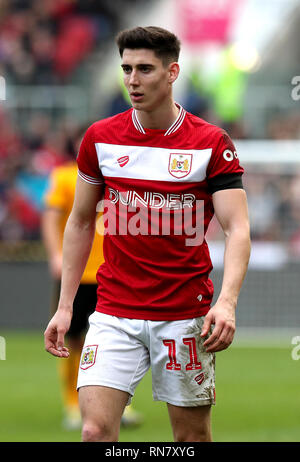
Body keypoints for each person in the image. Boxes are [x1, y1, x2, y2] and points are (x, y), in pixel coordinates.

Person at [44, 26, 251, 442]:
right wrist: (65, 306)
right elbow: (81, 221)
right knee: (94, 431)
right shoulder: (100, 139)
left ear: (172, 72)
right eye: (126, 69)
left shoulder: (211, 143)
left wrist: (226, 303)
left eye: (144, 69)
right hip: (114, 312)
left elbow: (237, 227)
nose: (132, 80)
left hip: (183, 316)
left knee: (190, 439)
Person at [42, 158, 143, 429]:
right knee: (72, 340)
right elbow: (51, 217)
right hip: (78, 274)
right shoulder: (64, 176)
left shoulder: (122, 174)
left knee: (118, 339)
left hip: (114, 272)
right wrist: (55, 255)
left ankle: (120, 404)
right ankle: (73, 405)